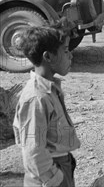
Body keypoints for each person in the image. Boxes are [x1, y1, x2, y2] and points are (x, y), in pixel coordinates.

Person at [13, 21, 80, 187]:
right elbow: (33, 151)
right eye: (65, 51)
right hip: (47, 177)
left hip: (58, 167)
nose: (70, 55)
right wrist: (56, 178)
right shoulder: (36, 98)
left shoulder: (50, 89)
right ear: (48, 57)